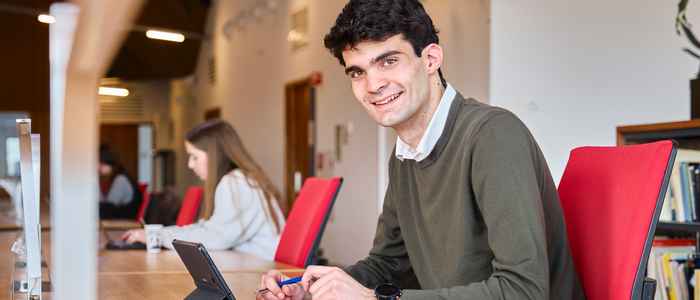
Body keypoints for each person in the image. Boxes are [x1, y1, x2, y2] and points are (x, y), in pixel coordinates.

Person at [258, 0, 584, 299]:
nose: (373, 85)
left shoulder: (493, 136)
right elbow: (389, 265)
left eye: (388, 61)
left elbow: (523, 290)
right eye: (358, 72)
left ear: (430, 59)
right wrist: (311, 286)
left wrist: (372, 298)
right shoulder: (405, 155)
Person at [122, 120, 285, 260]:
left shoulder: (235, 183)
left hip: (259, 273)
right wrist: (157, 234)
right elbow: (209, 229)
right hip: (249, 266)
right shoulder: (240, 179)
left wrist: (157, 237)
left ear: (215, 155)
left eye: (194, 157)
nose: (190, 165)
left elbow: (216, 237)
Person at [98, 144, 142, 220]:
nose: (98, 168)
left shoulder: (121, 179)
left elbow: (109, 205)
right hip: (119, 217)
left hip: (125, 220)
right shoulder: (118, 177)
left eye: (100, 164)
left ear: (108, 164)